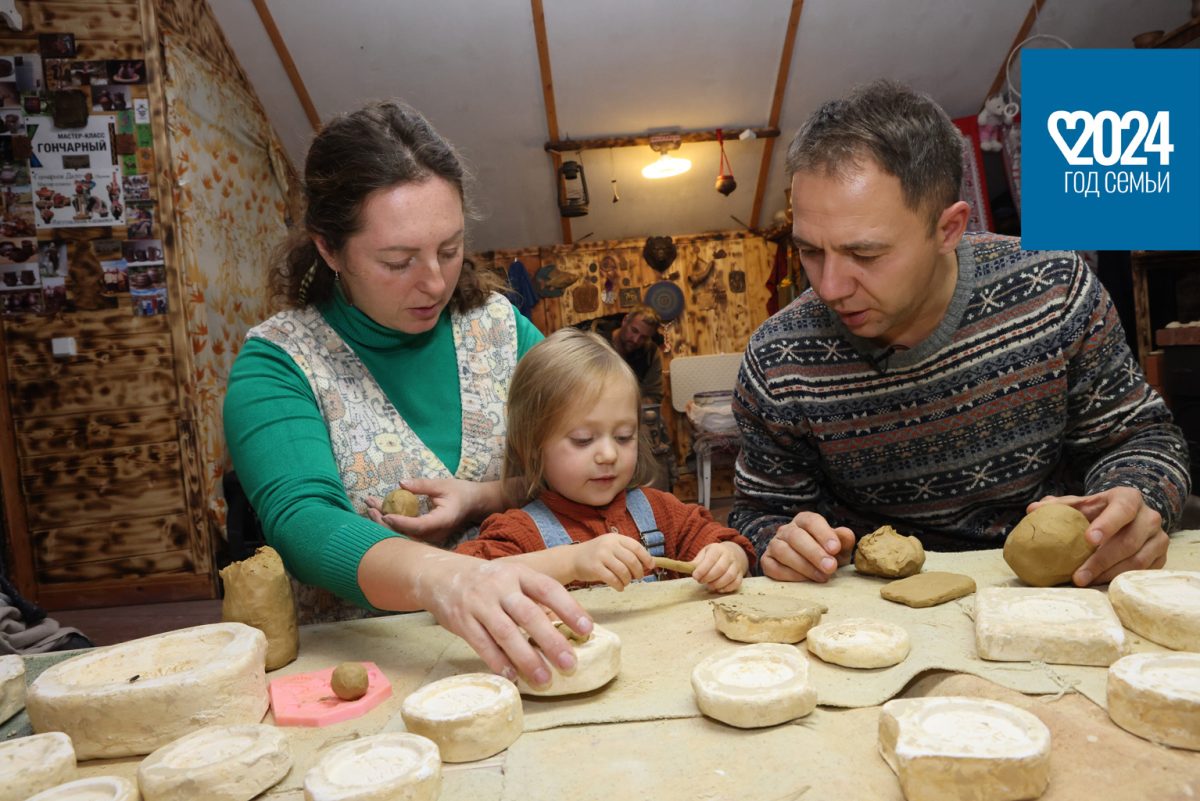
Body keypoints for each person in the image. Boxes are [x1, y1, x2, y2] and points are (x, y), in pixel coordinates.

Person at [731, 79, 1191, 588]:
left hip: (1054, 587)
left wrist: (1136, 497)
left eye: (865, 254)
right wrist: (777, 542)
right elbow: (758, 514)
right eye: (811, 251)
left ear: (948, 229)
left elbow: (1143, 438)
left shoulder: (1053, 290)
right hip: (874, 604)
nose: (831, 286)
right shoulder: (779, 359)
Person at [223, 100, 590, 687]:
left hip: (536, 641)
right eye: (398, 261)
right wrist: (441, 578)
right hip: (375, 672)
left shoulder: (501, 329)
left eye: (450, 249)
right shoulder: (278, 364)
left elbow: (593, 461)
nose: (436, 281)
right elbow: (303, 520)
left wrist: (484, 496)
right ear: (328, 249)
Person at [456, 328, 753, 593]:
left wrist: (727, 559)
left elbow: (733, 545)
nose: (609, 455)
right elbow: (465, 579)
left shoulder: (662, 514)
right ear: (533, 446)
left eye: (624, 437)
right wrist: (569, 562)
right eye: (583, 439)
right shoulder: (522, 532)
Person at [575, 305, 664, 403]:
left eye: (643, 337)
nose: (635, 340)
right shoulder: (595, 342)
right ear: (625, 320)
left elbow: (654, 395)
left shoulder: (650, 353)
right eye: (634, 330)